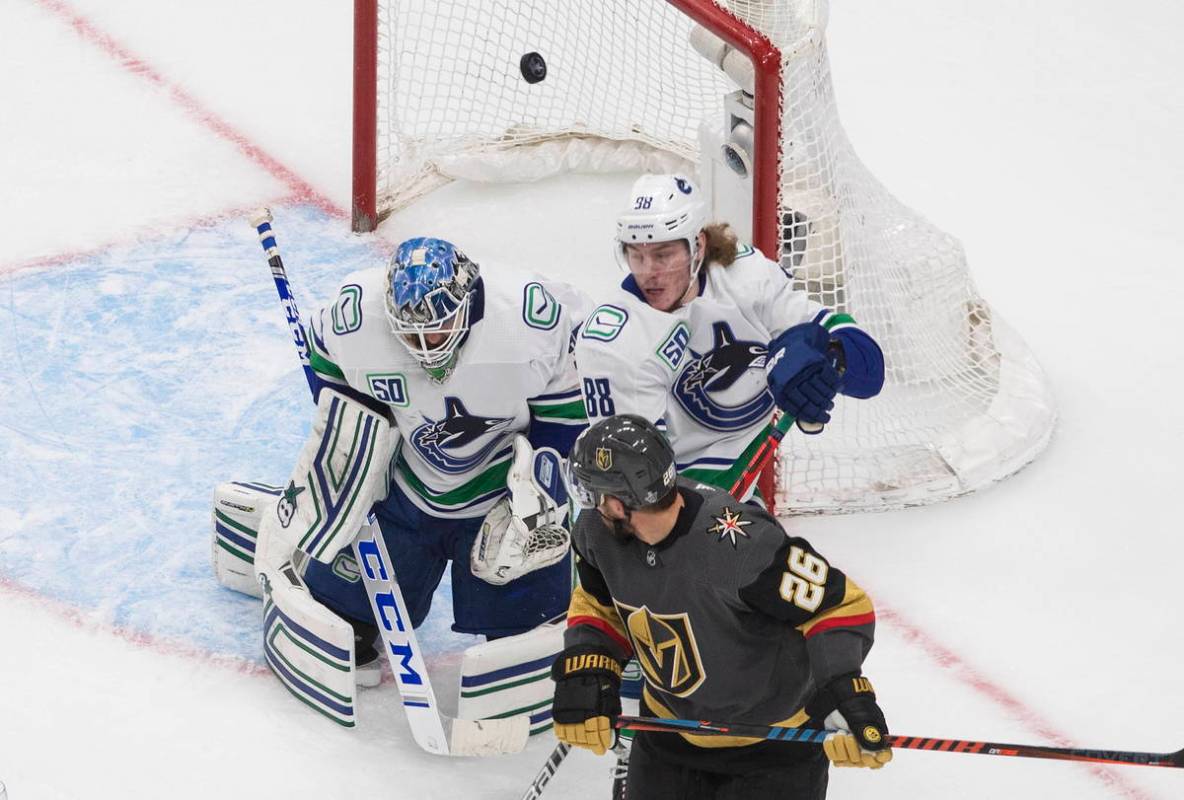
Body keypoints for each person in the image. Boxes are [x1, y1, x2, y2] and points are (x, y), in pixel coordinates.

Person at [551, 415, 892, 799]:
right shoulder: (596, 534)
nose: (591, 505)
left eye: (594, 493)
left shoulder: (741, 547)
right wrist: (588, 669)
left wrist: (845, 691)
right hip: (667, 736)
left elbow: (839, 605)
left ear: (617, 503)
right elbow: (599, 602)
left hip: (774, 747)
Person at [292, 237, 588, 661]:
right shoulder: (358, 317)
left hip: (500, 488)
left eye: (438, 327)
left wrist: (537, 491)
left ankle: (520, 619)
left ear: (467, 302)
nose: (428, 346)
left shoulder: (526, 320)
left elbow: (568, 412)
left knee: (525, 638)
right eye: (412, 335)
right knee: (341, 613)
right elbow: (324, 354)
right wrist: (356, 432)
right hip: (407, 486)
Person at [574, 174, 885, 497]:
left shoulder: (745, 278)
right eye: (636, 255)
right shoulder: (615, 343)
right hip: (672, 493)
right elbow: (638, 490)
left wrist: (831, 358)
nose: (649, 271)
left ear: (698, 246)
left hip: (737, 482)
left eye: (663, 254)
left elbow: (869, 373)